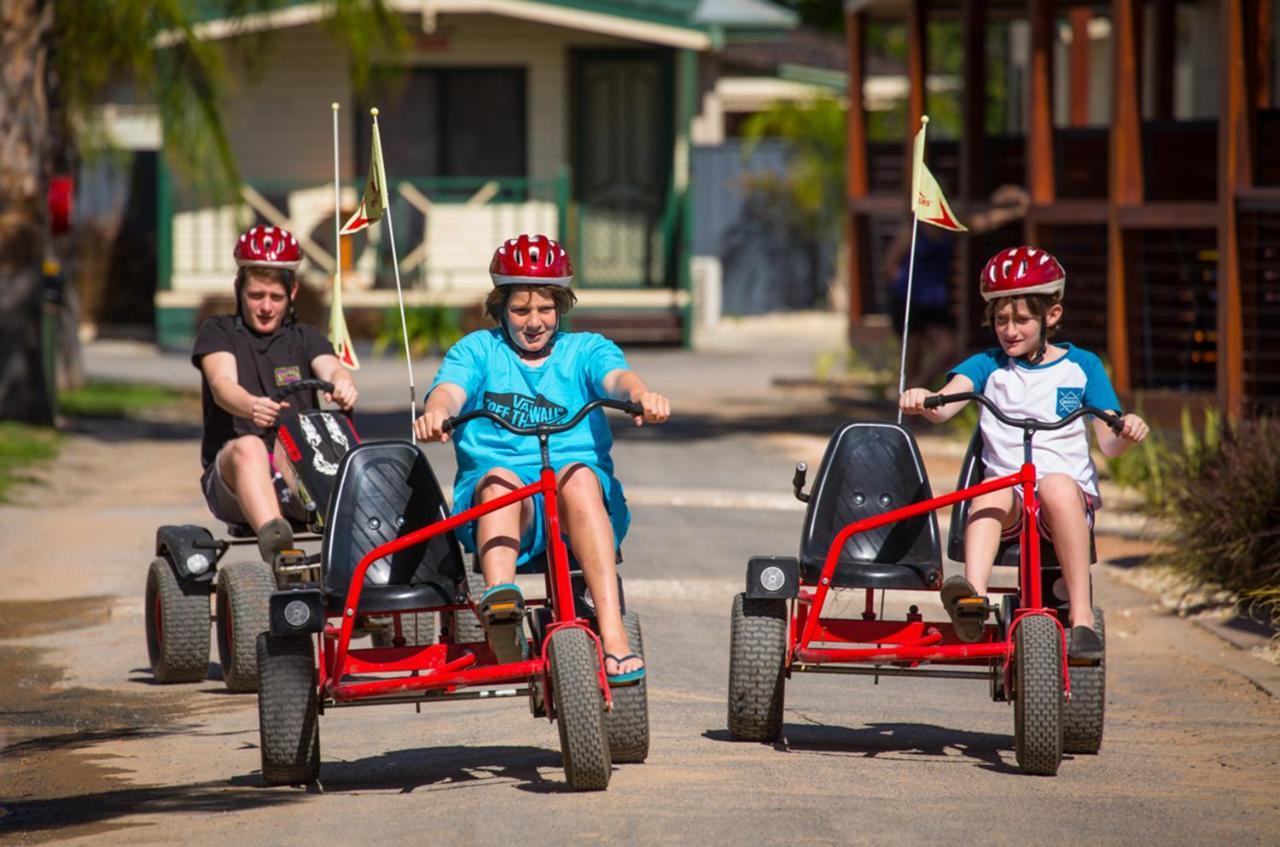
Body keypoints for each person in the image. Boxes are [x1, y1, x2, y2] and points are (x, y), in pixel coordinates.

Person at [414, 233, 669, 684]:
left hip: (579, 505)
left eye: (545, 309)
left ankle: (613, 635)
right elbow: (451, 387)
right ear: (500, 308)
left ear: (561, 307)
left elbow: (615, 377)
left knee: (578, 476)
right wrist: (437, 411)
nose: (534, 322)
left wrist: (640, 395)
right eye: (520, 310)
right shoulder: (478, 350)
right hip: (508, 506)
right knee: (498, 479)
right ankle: (501, 607)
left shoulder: (584, 349)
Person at [898, 246, 1148, 658]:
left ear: (1052, 316)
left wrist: (1128, 431)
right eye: (1001, 320)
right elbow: (948, 403)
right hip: (1010, 495)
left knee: (1057, 486)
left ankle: (1081, 619)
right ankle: (973, 599)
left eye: (1022, 320)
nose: (1009, 331)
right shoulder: (987, 365)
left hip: (1063, 498)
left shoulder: (1082, 366)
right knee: (992, 487)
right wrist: (926, 399)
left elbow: (1109, 440)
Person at [192, 225, 358, 563]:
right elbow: (222, 385)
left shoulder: (305, 338)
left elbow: (330, 367)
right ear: (239, 289)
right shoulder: (219, 332)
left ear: (292, 293)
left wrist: (342, 383)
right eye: (256, 296)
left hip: (296, 471)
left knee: (310, 437)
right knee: (251, 446)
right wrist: (250, 405)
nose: (266, 307)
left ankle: (359, 546)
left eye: (276, 297)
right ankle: (278, 546)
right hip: (232, 480)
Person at [882, 185, 1030, 391]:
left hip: (935, 302)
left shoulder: (948, 226)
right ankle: (910, 415)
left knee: (947, 348)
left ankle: (915, 389)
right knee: (912, 358)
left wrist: (1012, 212)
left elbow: (979, 224)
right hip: (910, 300)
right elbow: (890, 264)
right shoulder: (912, 230)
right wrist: (902, 290)